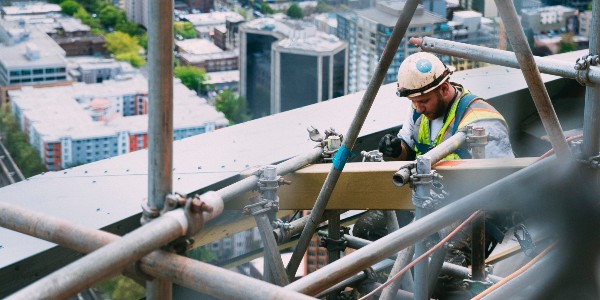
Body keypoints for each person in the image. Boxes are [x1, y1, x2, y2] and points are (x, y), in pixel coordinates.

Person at [378, 52, 514, 161]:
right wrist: (396, 150)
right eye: (413, 101)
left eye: (424, 101)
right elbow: (408, 152)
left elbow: (500, 178)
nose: (418, 108)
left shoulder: (481, 121)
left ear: (443, 89)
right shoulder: (417, 109)